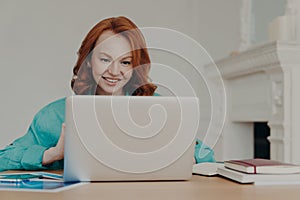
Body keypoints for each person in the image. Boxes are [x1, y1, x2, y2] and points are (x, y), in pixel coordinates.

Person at [0, 16, 215, 172]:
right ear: (88, 60)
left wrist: (173, 156)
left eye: (125, 62)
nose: (114, 71)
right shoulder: (54, 116)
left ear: (135, 66)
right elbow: (3, 159)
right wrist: (54, 154)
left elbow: (205, 154)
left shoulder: (155, 108)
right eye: (105, 59)